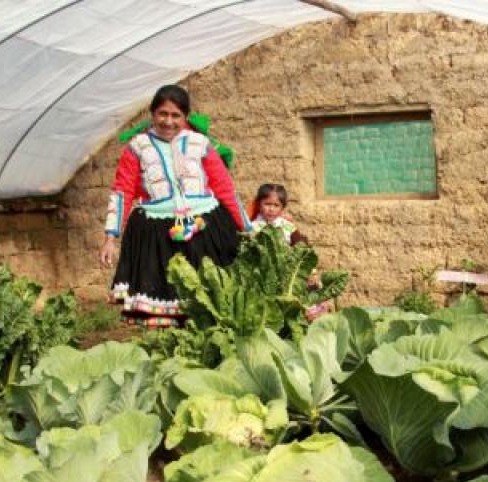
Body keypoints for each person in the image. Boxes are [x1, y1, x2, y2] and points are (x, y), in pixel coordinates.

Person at [99, 85, 250, 327]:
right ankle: (173, 346)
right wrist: (110, 237)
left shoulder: (200, 144)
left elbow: (224, 187)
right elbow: (122, 191)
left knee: (213, 298)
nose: (168, 122)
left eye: (175, 115)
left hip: (205, 229)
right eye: (163, 114)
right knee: (167, 302)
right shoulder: (138, 147)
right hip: (157, 235)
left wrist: (247, 228)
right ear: (152, 114)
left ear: (185, 116)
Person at [249, 183, 332, 321]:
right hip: (261, 275)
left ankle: (312, 314)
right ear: (259, 204)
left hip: (287, 274)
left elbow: (302, 249)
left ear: (282, 208)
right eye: (267, 204)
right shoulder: (252, 227)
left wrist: (312, 272)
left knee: (312, 288)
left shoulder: (288, 227)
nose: (271, 209)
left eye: (276, 205)